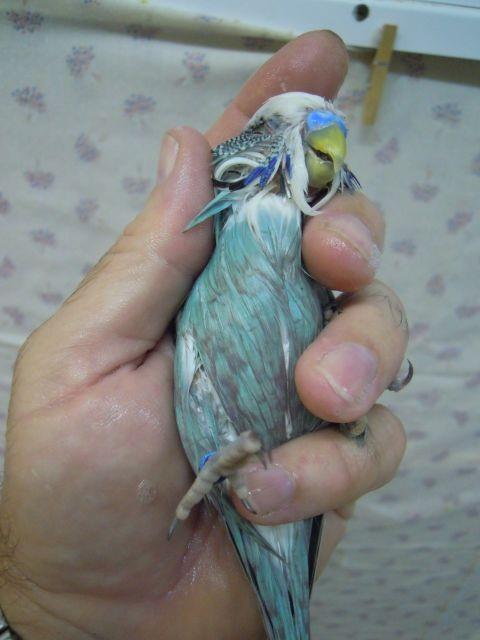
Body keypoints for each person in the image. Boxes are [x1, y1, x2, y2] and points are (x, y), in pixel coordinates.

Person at [0, 31, 408, 640]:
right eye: (274, 129)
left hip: (267, 486)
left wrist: (347, 376)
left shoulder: (307, 248)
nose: (318, 139)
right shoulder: (212, 239)